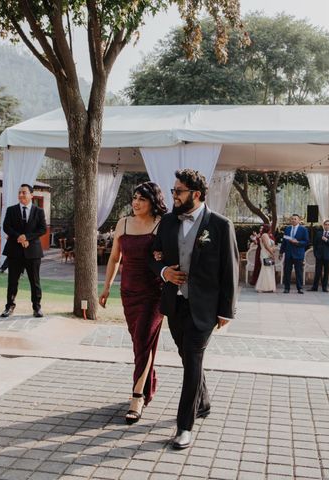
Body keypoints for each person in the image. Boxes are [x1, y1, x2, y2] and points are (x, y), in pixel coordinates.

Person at [150, 169, 239, 450]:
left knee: (192, 359)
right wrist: (164, 271)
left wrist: (227, 311)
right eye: (174, 190)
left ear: (196, 195)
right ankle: (204, 401)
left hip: (205, 308)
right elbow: (152, 257)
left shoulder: (221, 225)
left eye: (179, 191)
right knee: (187, 357)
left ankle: (184, 427)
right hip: (174, 304)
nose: (173, 195)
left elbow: (230, 270)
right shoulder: (166, 223)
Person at [99, 182, 167, 424]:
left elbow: (171, 254)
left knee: (143, 342)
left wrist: (163, 256)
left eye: (142, 199)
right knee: (140, 343)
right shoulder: (123, 223)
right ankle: (150, 383)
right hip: (128, 292)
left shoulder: (161, 224)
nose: (136, 203)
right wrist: (106, 286)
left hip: (153, 293)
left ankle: (137, 397)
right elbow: (115, 258)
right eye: (134, 198)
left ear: (153, 202)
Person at [1, 184, 47, 318]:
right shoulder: (11, 210)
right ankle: (9, 306)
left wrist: (27, 237)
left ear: (31, 195)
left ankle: (37, 308)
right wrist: (19, 237)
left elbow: (42, 229)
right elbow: (6, 227)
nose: (21, 195)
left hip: (33, 252)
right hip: (14, 252)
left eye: (24, 192)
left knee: (35, 281)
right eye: (19, 192)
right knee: (12, 281)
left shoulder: (39, 211)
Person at [279, 214, 309, 294]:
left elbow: (306, 242)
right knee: (287, 271)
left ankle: (300, 288)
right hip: (288, 254)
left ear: (299, 220)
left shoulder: (303, 229)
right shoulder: (287, 229)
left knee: (299, 272)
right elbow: (284, 242)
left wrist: (298, 242)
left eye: (295, 219)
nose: (293, 220)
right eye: (292, 219)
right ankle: (286, 288)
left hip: (298, 254)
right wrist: (281, 252)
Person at [310, 219, 329, 292]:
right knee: (317, 272)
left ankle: (324, 287)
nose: (327, 226)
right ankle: (314, 287)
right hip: (319, 256)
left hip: (328, 256)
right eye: (326, 225)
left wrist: (326, 240)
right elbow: (315, 244)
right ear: (323, 225)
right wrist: (315, 254)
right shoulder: (319, 233)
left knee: (326, 272)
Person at [255, 224, 277, 293]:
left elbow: (271, 245)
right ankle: (262, 287)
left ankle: (269, 287)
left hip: (268, 254)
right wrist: (272, 254)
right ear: (268, 229)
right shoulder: (264, 235)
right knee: (266, 270)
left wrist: (273, 248)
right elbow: (266, 246)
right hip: (266, 254)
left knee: (270, 270)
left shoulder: (267, 235)